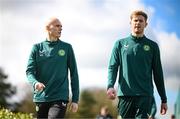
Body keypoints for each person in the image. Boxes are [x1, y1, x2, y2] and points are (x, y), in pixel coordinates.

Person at [107, 10, 168, 119]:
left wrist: (164, 99)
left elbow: (158, 74)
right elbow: (113, 66)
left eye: (141, 21)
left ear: (146, 24)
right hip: (125, 95)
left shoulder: (153, 46)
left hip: (145, 95)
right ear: (130, 22)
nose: (138, 23)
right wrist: (110, 85)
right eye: (135, 20)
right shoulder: (119, 44)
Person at [26, 17, 79, 118]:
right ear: (47, 28)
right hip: (41, 98)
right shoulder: (37, 48)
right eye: (57, 26)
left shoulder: (67, 47)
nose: (60, 28)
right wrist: (35, 83)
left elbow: (74, 74)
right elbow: (29, 71)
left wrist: (75, 99)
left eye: (61, 27)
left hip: (60, 97)